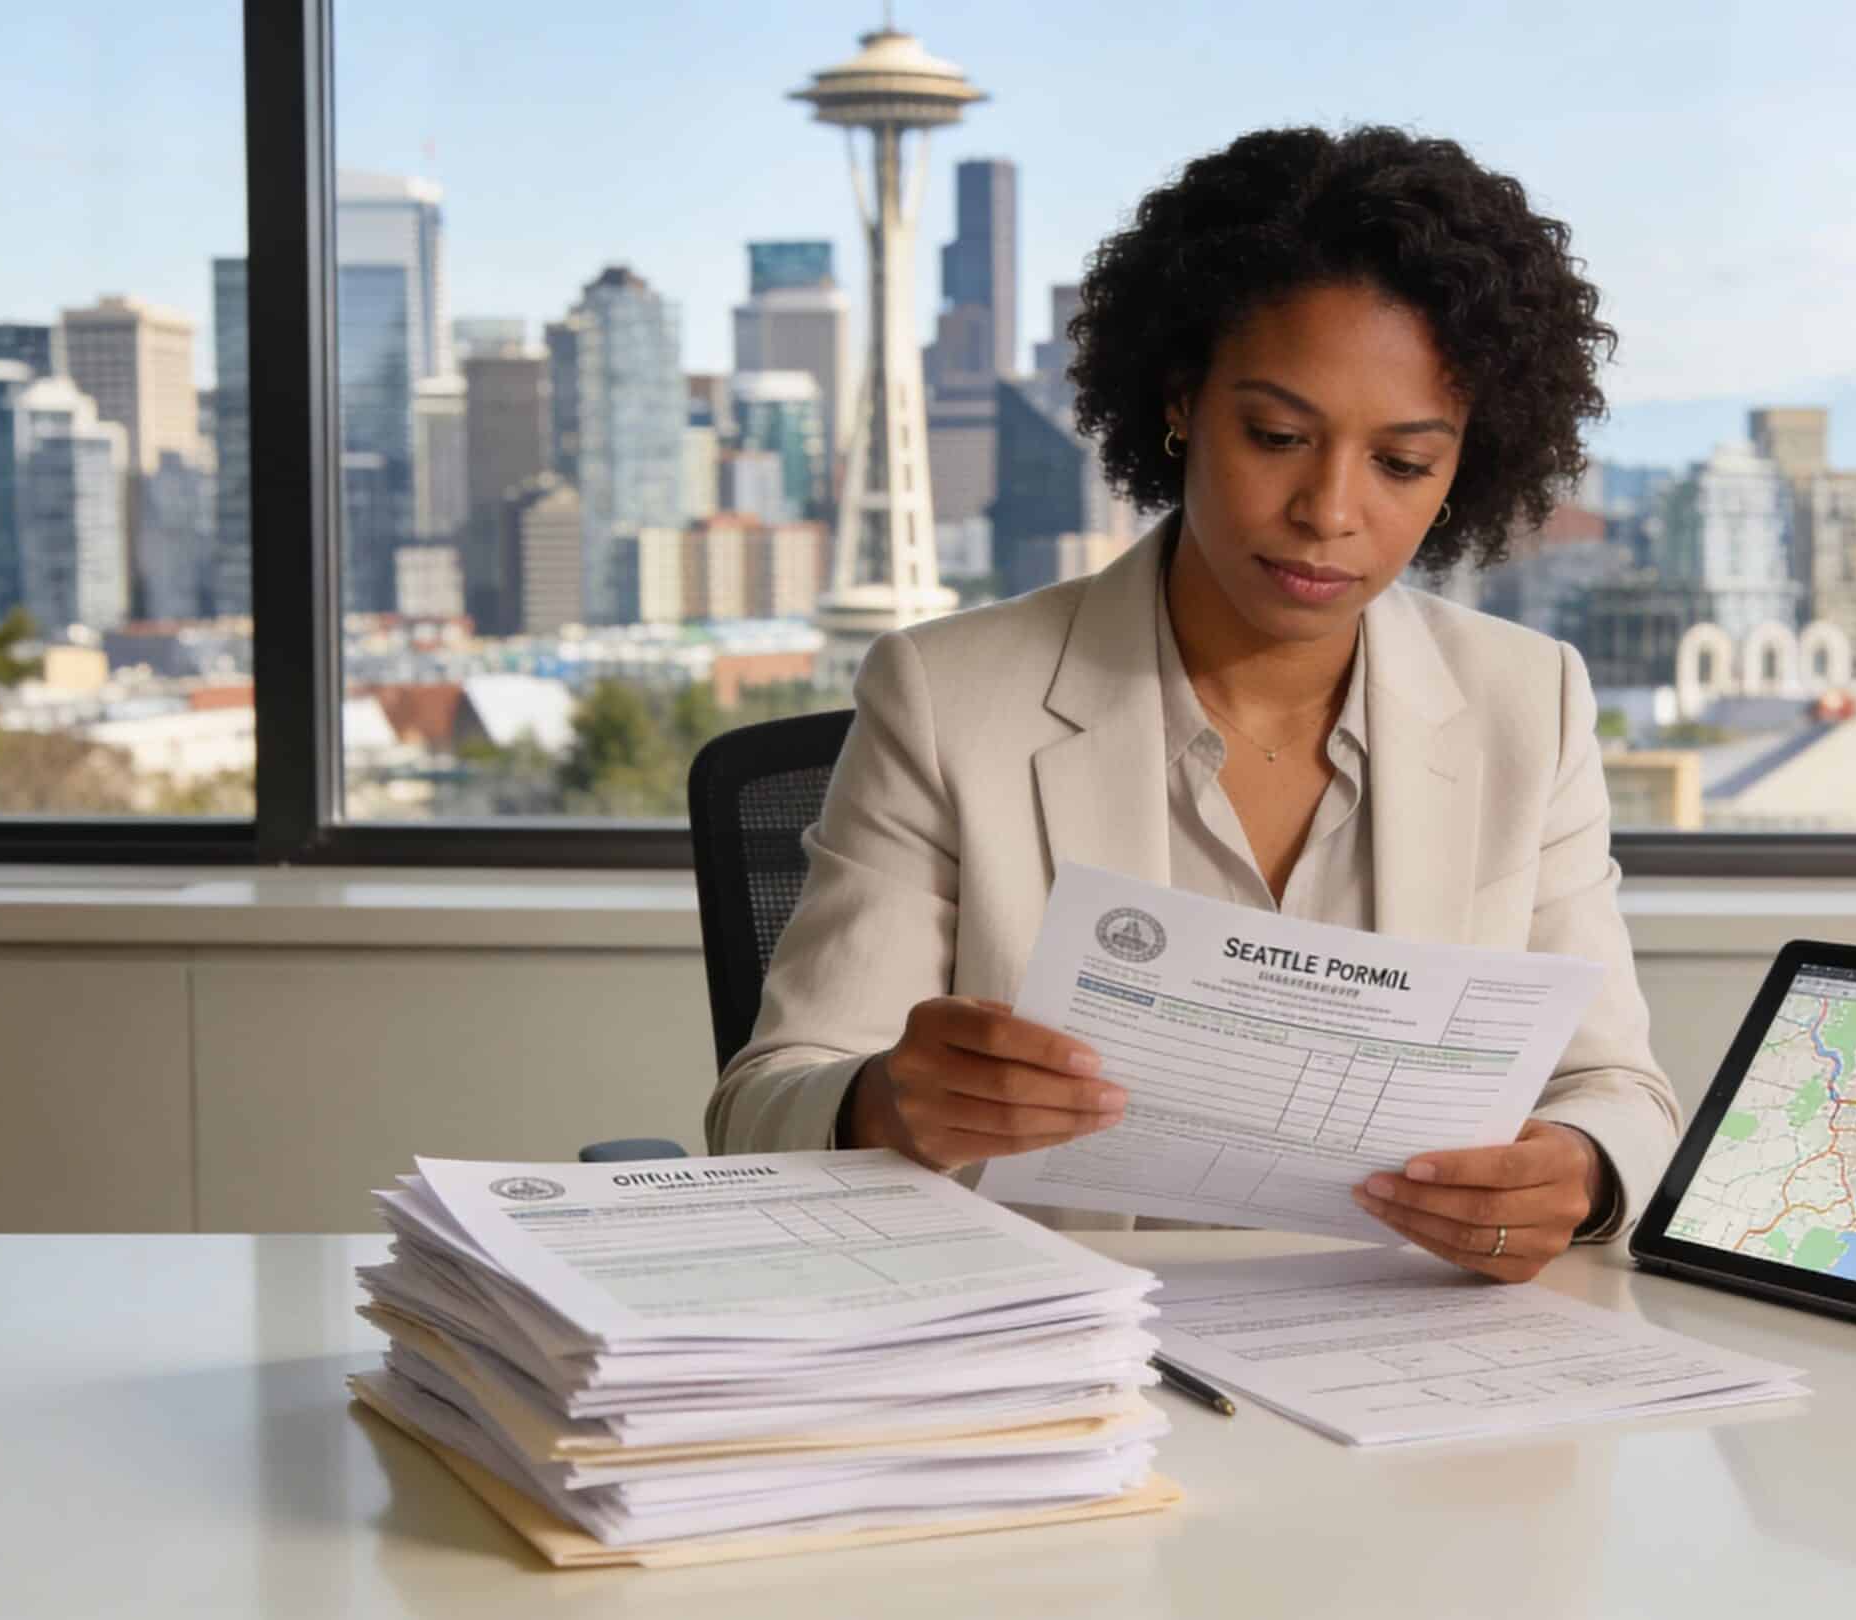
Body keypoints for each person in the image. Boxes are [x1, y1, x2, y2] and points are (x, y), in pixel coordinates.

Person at [708, 125, 1678, 1283]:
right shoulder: (948, 695)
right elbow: (761, 1108)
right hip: (1057, 1355)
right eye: (1276, 437)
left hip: (1402, 1355)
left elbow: (1619, 1093)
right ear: (1180, 405)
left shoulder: (1532, 701)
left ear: (1468, 464)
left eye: (1403, 464)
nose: (1329, 511)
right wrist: (880, 1105)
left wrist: (1577, 1166)